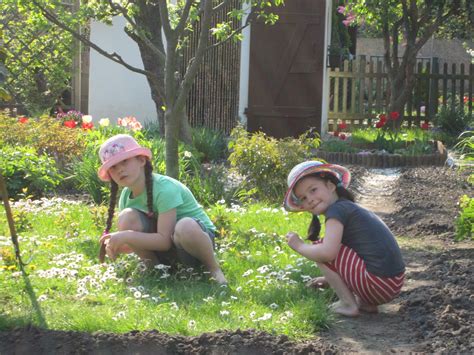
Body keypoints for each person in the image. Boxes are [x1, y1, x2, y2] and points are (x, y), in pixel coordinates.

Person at [97, 134, 226, 284]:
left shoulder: (164, 189)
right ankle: (155, 269)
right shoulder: (126, 196)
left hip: (194, 245)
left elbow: (164, 240)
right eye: (113, 167)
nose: (120, 170)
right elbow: (137, 240)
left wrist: (125, 236)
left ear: (141, 160)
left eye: (124, 161)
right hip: (168, 250)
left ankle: (213, 269)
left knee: (185, 226)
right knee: (127, 217)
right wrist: (118, 245)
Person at [283, 161, 405, 317]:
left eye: (313, 190)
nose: (310, 199)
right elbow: (357, 253)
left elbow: (328, 254)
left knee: (320, 247)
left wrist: (299, 246)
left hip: (379, 282)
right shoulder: (345, 207)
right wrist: (329, 279)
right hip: (392, 282)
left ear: (330, 186)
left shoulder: (337, 211)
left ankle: (348, 304)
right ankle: (367, 303)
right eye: (303, 198)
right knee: (329, 246)